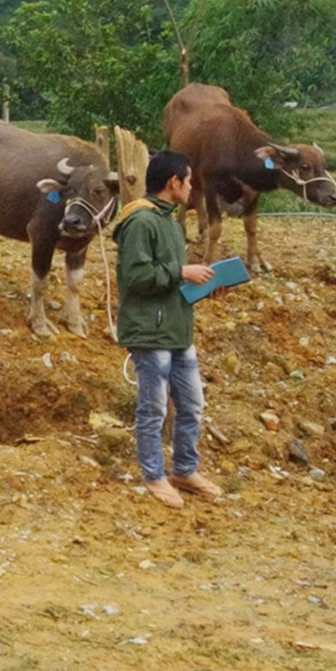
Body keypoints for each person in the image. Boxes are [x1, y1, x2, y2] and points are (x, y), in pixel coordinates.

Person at [112, 150, 223, 510]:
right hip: (150, 332)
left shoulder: (171, 223)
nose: (192, 188)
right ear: (174, 182)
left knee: (192, 404)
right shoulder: (141, 222)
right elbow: (136, 276)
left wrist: (204, 285)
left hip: (177, 329)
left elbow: (171, 281)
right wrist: (182, 272)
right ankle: (154, 476)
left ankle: (185, 471)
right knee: (153, 409)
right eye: (189, 181)